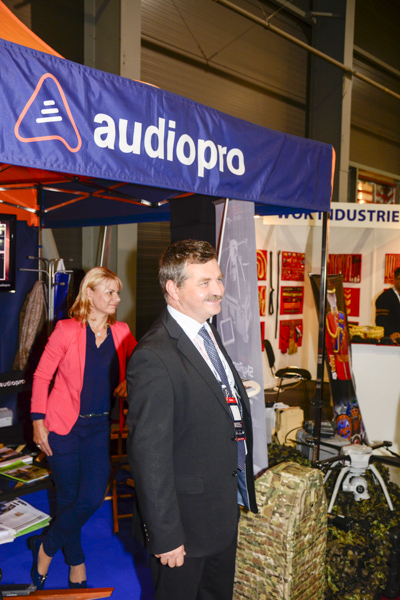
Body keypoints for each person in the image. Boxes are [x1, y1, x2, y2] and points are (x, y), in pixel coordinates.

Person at [126, 239, 257, 600]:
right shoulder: (153, 355)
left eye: (219, 279)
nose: (218, 290)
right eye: (205, 282)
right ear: (173, 289)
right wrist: (166, 536)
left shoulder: (206, 330)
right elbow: (149, 456)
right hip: (183, 528)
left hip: (220, 513)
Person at [29, 267, 136, 589]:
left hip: (99, 427)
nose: (117, 298)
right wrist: (37, 423)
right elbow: (41, 377)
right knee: (68, 497)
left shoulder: (122, 332)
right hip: (62, 426)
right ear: (90, 293)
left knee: (90, 499)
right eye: (110, 292)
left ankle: (46, 547)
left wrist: (130, 381)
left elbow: (142, 366)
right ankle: (76, 561)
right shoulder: (65, 330)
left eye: (118, 293)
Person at [376, 267, 400, 342]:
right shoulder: (385, 297)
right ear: (395, 279)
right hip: (390, 341)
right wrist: (391, 333)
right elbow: (380, 320)